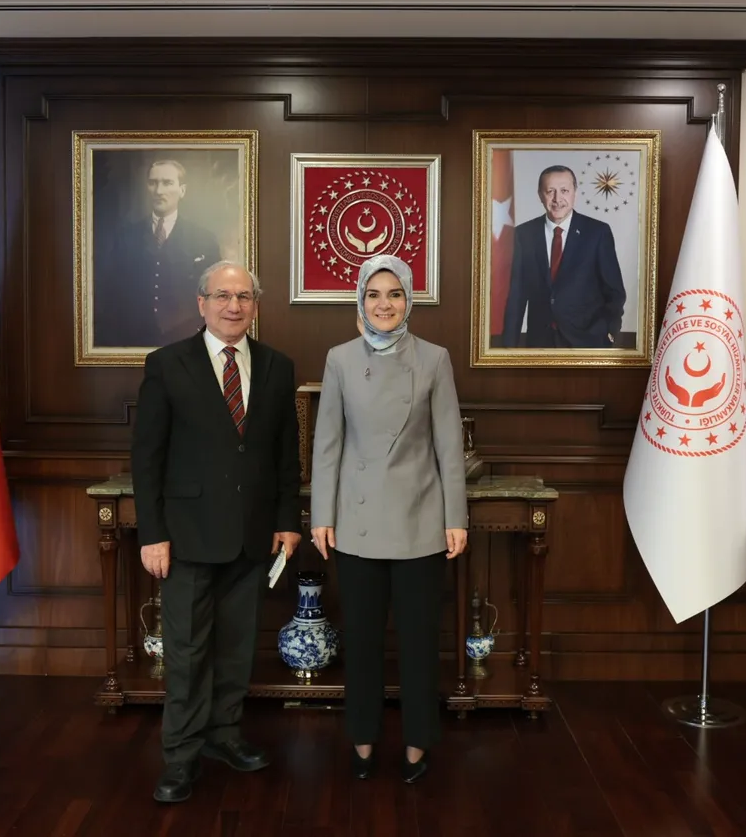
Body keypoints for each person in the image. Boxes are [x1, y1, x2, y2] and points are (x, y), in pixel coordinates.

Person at [131, 260, 303, 803]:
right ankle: (180, 756)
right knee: (185, 651)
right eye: (223, 295)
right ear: (201, 302)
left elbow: (284, 455)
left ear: (256, 305)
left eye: (245, 297)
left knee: (236, 647)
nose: (234, 306)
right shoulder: (167, 365)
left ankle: (223, 736)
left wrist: (286, 522)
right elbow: (147, 457)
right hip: (184, 537)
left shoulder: (277, 366)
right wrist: (151, 533)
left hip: (252, 537)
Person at [309, 254, 468, 784]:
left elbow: (448, 443)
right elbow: (327, 444)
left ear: (408, 301)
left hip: (421, 518)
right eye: (374, 294)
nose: (384, 304)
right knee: (362, 641)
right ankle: (362, 739)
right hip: (354, 525)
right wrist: (321, 515)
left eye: (394, 294)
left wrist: (456, 516)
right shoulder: (339, 359)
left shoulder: (435, 359)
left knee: (420, 644)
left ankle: (418, 743)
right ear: (360, 300)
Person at [95, 159, 223, 349]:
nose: (159, 190)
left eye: (167, 183)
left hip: (186, 340)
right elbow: (112, 295)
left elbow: (216, 296)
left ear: (182, 190)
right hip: (133, 340)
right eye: (153, 183)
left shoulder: (204, 238)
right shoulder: (126, 237)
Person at [499, 164, 627, 348]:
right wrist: (508, 349)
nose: (557, 199)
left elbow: (615, 292)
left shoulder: (598, 233)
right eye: (550, 191)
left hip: (588, 342)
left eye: (564, 190)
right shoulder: (523, 234)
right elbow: (517, 296)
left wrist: (609, 333)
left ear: (575, 192)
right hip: (539, 343)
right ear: (540, 195)